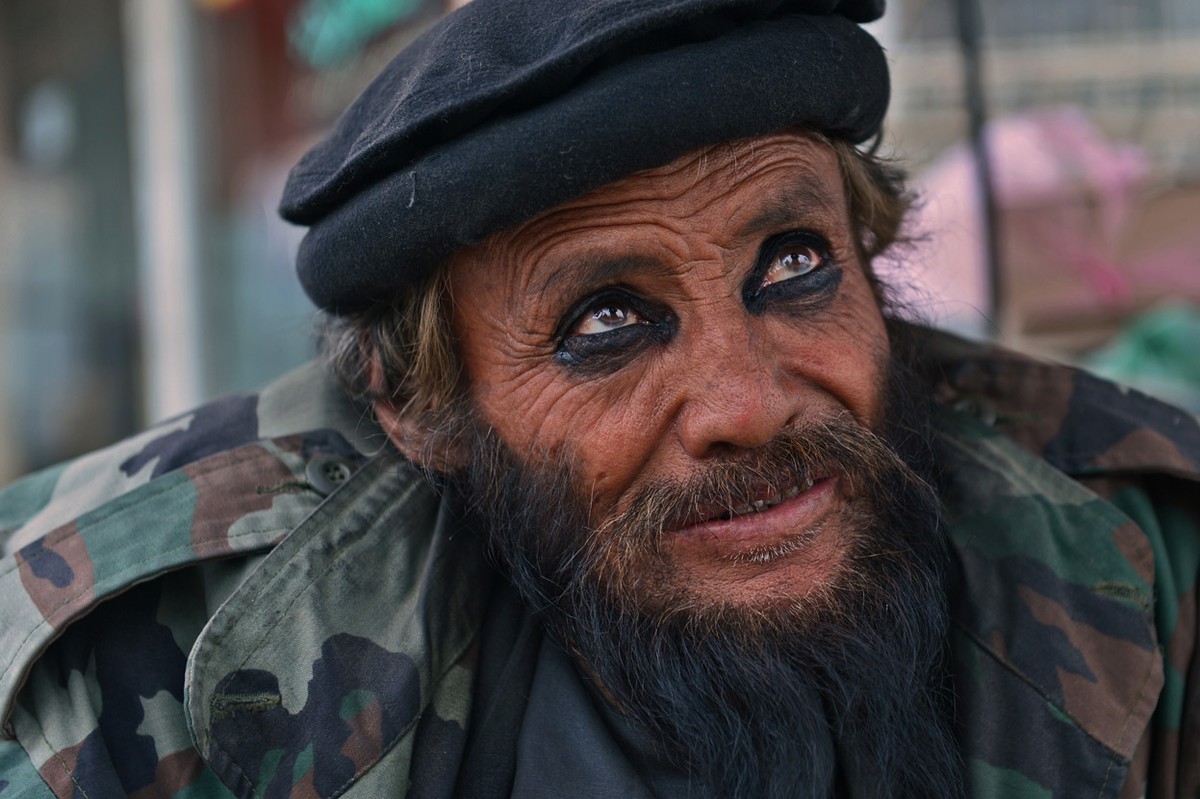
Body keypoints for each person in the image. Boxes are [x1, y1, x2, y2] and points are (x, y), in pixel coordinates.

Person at [1, 0, 1198, 796]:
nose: (745, 403)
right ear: (423, 407)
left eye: (792, 265)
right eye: (606, 325)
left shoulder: (1150, 539)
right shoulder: (128, 667)